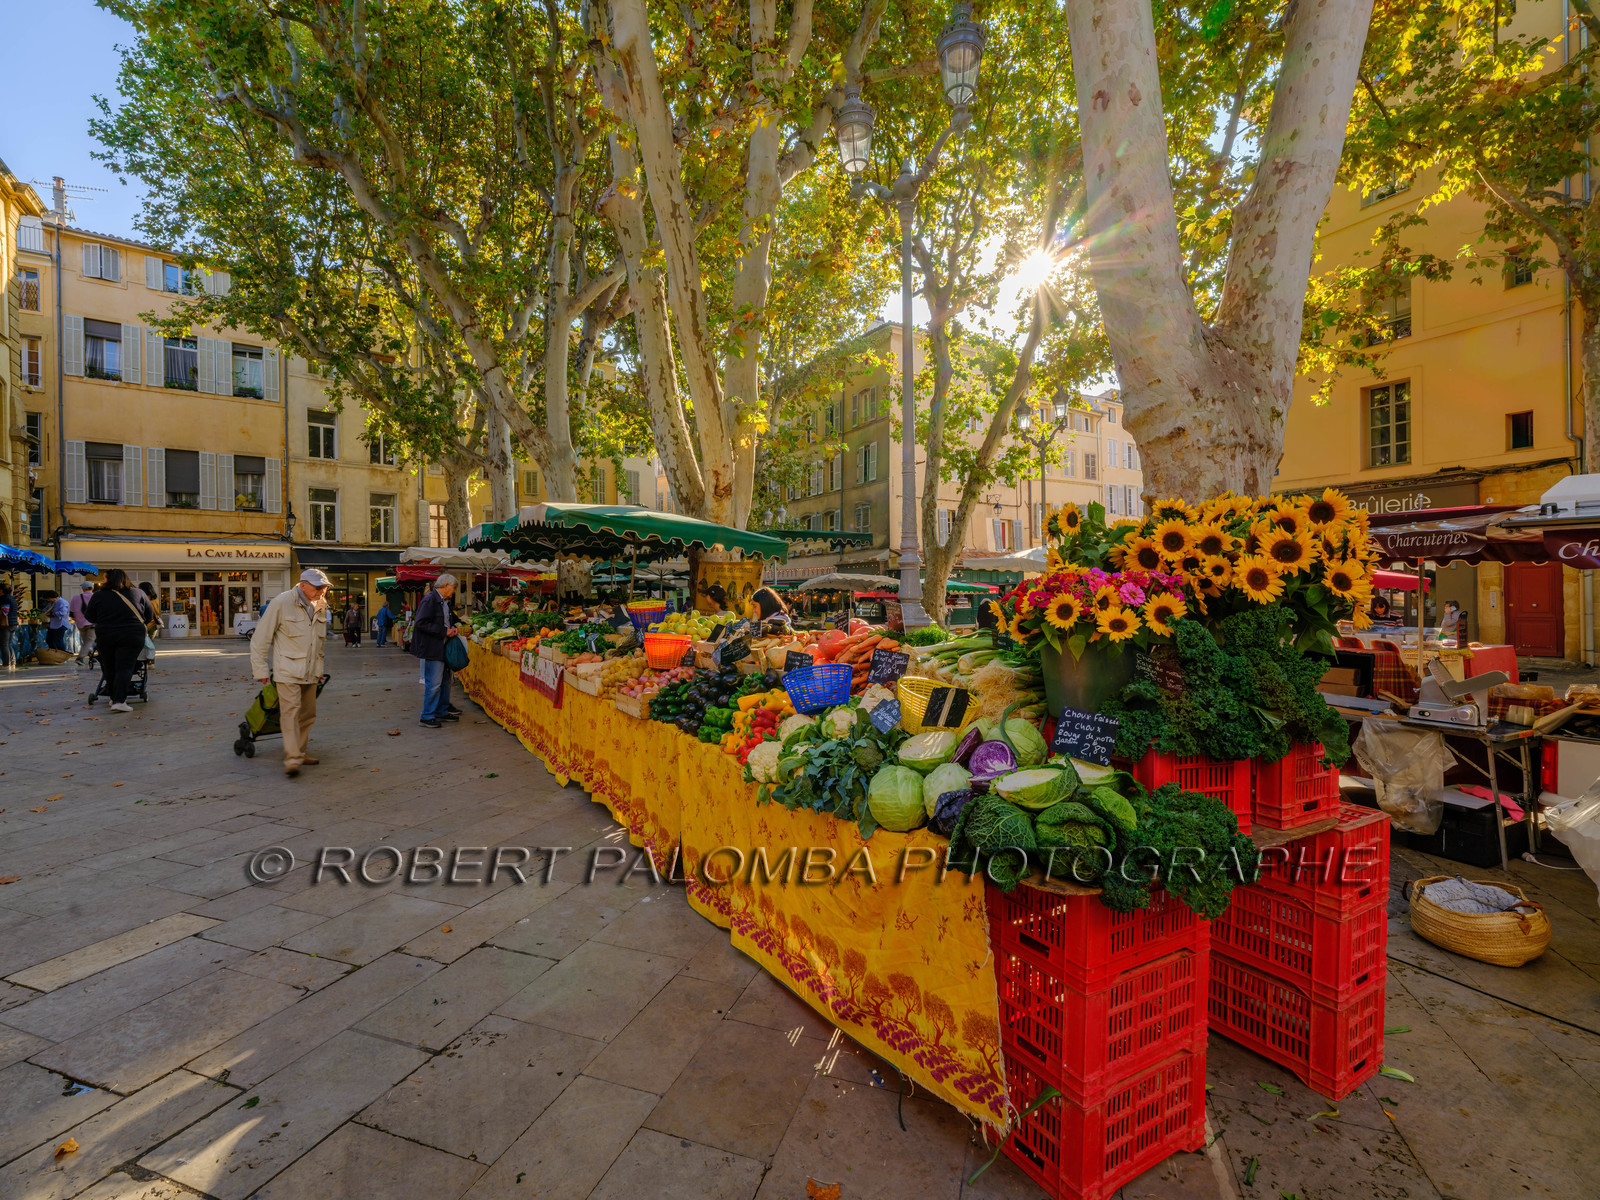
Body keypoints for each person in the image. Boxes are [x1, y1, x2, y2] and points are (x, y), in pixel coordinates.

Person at [250, 568, 331, 776]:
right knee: (290, 712)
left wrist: (319, 670)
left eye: (324, 587)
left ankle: (300, 752)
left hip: (311, 671)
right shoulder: (281, 602)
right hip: (287, 670)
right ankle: (293, 758)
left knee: (308, 715)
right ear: (303, 585)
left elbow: (318, 644)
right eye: (318, 587)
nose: (322, 591)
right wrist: (260, 670)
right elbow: (260, 639)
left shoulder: (321, 605)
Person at [86, 569, 155, 712]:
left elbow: (90, 616)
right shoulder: (138, 593)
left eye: (105, 579)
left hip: (106, 634)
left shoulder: (98, 595)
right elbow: (149, 615)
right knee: (125, 667)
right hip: (132, 634)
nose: (104, 581)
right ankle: (119, 700)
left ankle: (114, 697)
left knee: (109, 666)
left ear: (109, 580)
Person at [410, 573, 461, 728]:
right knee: (434, 683)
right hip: (433, 648)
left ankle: (441, 711)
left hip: (442, 646)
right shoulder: (430, 600)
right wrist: (443, 631)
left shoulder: (443, 602)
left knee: (445, 681)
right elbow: (420, 623)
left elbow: (447, 620)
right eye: (453, 588)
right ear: (446, 585)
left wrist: (453, 627)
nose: (454, 592)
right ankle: (426, 716)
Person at [70, 581, 97, 666]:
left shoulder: (75, 597)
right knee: (89, 641)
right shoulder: (95, 597)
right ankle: (80, 658)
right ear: (92, 588)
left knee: (86, 641)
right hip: (92, 622)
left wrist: (75, 619)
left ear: (83, 588)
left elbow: (71, 611)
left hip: (80, 623)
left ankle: (92, 657)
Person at [0, 583, 16, 672]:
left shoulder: (5, 599)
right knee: (8, 644)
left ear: (1, 590)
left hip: (6, 624)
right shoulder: (11, 598)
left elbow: (5, 612)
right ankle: (12, 662)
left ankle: (6, 664)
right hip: (13, 624)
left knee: (4, 644)